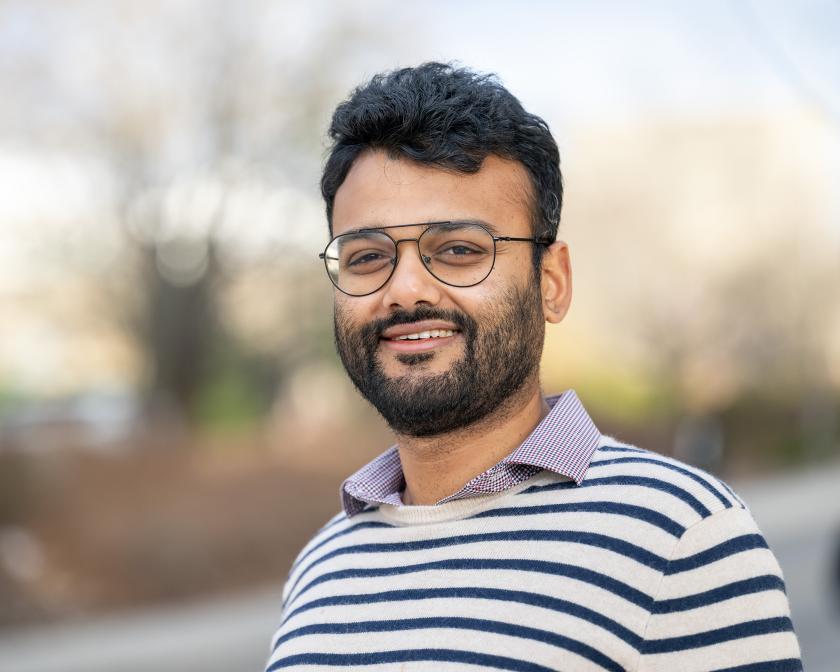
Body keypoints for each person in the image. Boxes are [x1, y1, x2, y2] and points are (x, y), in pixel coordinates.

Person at [265, 63, 802, 672]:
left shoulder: (683, 537)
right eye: (366, 256)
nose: (405, 289)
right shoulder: (321, 566)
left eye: (460, 250)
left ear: (551, 282)